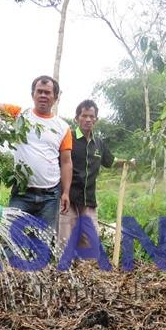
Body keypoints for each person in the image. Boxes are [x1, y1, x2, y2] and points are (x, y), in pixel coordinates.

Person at [0, 76, 73, 232]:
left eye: (47, 92)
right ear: (33, 94)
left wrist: (65, 192)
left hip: (51, 196)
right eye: (39, 91)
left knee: (43, 243)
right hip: (22, 193)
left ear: (55, 97)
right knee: (12, 236)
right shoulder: (19, 115)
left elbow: (66, 162)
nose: (43, 95)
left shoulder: (63, 127)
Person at [59, 99, 131, 246]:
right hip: (68, 199)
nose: (88, 119)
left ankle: (86, 269)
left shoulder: (98, 143)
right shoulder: (68, 138)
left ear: (96, 120)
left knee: (89, 242)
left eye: (91, 116)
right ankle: (65, 269)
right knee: (65, 242)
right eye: (84, 116)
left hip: (88, 200)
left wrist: (126, 162)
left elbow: (110, 161)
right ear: (77, 118)